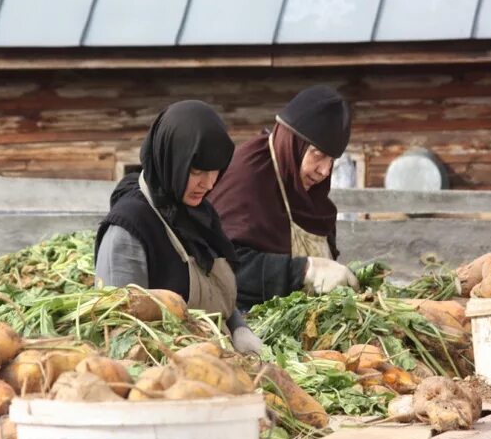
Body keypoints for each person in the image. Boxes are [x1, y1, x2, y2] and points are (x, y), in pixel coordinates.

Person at [94, 100, 264, 355]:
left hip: (223, 368)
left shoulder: (200, 215)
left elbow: (219, 295)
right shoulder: (128, 230)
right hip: (164, 380)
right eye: (196, 171)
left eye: (215, 171)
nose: (207, 184)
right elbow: (120, 336)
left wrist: (239, 328)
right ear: (171, 159)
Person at [209, 85, 360, 309]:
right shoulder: (248, 177)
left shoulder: (312, 193)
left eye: (332, 160)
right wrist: (304, 270)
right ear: (293, 144)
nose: (325, 171)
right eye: (318, 156)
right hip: (244, 322)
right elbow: (225, 268)